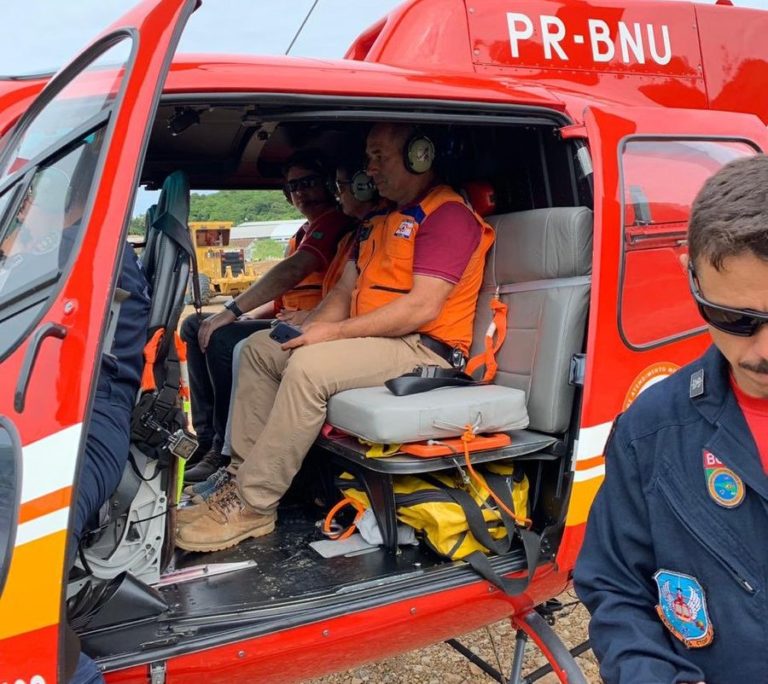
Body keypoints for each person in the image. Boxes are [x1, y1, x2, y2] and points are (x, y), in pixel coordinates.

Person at [175, 122, 495, 552]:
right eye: (369, 157)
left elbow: (421, 308)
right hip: (376, 343)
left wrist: (331, 335)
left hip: (424, 349)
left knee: (309, 367)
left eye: (379, 156)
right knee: (261, 349)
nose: (371, 168)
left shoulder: (448, 215)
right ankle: (236, 483)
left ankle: (254, 505)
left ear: (420, 155)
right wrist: (309, 330)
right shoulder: (379, 220)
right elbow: (343, 291)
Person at [573, 154, 768, 684]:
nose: (764, 351)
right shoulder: (651, 430)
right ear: (691, 275)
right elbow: (616, 587)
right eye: (736, 319)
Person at [179, 154, 391, 509]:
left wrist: (233, 312)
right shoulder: (308, 233)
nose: (301, 194)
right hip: (304, 317)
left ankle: (228, 455)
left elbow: (297, 272)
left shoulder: (337, 223)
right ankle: (210, 439)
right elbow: (296, 295)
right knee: (197, 326)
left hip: (323, 323)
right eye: (293, 187)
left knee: (225, 339)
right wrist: (239, 315)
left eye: (309, 183)